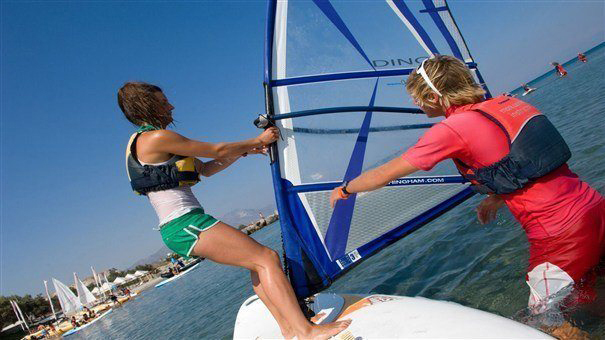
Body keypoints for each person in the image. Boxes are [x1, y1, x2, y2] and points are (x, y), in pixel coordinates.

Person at [330, 55, 604, 333]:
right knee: (585, 298)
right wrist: (496, 197)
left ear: (434, 96)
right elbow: (529, 163)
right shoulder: (506, 104)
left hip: (559, 234)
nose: (415, 104)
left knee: (542, 322)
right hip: (594, 207)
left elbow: (385, 173)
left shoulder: (452, 129)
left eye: (417, 97)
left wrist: (345, 189)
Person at [117, 82, 350, 339]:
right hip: (184, 224)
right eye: (163, 102)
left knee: (258, 263)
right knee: (267, 258)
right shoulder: (157, 138)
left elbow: (206, 168)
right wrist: (258, 139)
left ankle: (289, 327)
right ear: (147, 106)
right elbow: (217, 150)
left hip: (185, 223)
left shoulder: (147, 143)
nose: (170, 106)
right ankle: (305, 331)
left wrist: (245, 152)